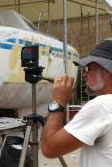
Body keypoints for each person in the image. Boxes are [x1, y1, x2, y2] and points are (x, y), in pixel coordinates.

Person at [41, 38, 112, 167]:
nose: (85, 75)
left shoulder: (102, 106)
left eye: (89, 69)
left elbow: (49, 148)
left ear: (107, 71)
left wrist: (58, 102)